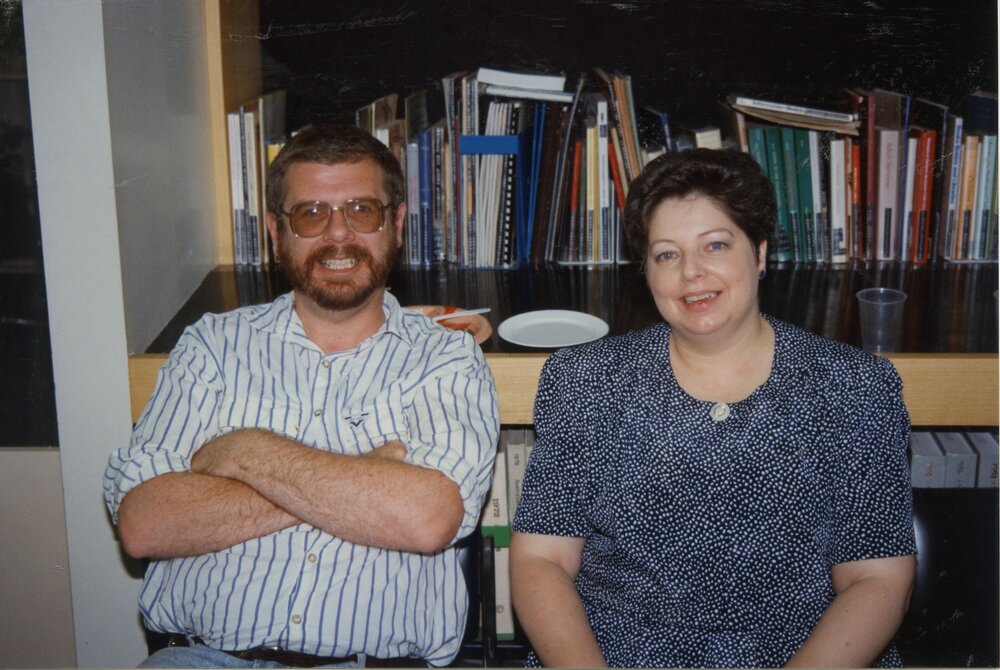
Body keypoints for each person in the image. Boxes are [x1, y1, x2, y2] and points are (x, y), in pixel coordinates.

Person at [104, 124, 500, 668]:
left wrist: (242, 452)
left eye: (362, 210)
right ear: (275, 231)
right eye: (311, 214)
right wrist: (362, 473)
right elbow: (145, 523)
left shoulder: (444, 357)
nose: (338, 235)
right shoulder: (213, 347)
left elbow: (426, 519)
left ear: (398, 224)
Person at [510, 148, 916, 668]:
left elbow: (877, 578)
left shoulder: (854, 388)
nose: (692, 274)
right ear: (647, 271)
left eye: (716, 245)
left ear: (760, 253)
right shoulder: (585, 382)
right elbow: (540, 559)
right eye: (667, 254)